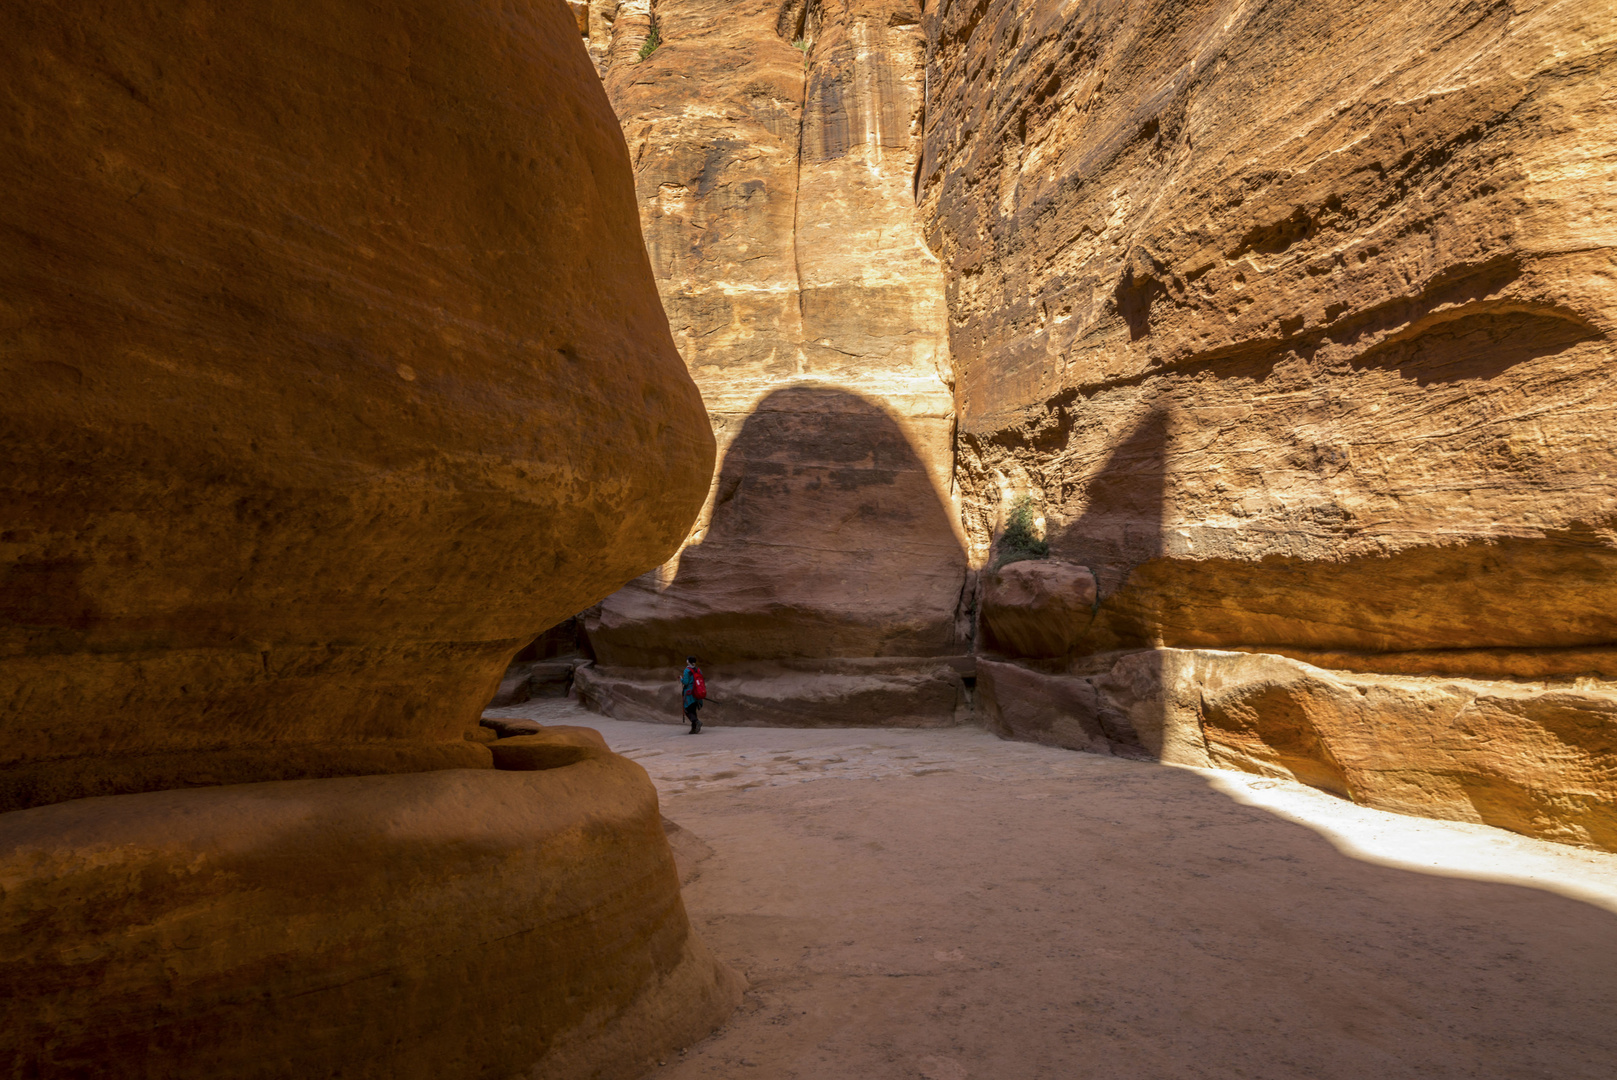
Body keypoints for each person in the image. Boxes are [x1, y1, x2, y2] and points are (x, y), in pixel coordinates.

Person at [680, 655, 704, 734]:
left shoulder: (687, 670)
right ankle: (694, 729)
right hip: (697, 692)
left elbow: (686, 682)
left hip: (689, 693)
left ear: (688, 661)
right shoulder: (698, 670)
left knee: (687, 709)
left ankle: (696, 722)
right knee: (693, 709)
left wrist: (681, 679)